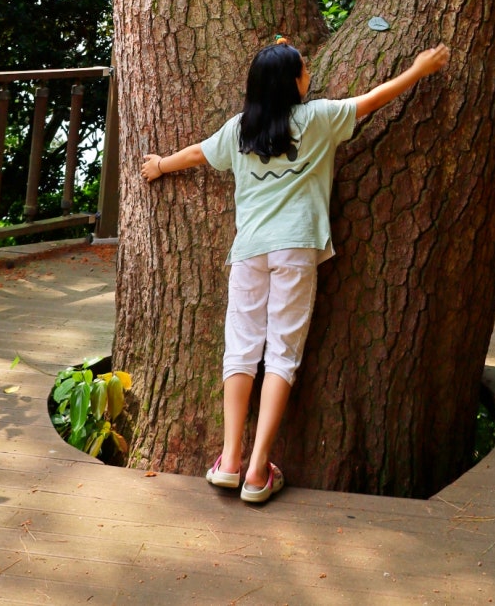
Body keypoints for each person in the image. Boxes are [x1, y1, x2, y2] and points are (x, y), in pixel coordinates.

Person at [141, 36, 450, 504]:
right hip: (296, 249)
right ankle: (259, 468)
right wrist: (419, 69)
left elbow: (196, 155)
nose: (310, 74)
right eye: (303, 68)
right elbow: (374, 100)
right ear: (292, 83)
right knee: (282, 353)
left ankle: (229, 460)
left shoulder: (240, 129)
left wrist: (160, 166)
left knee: (241, 351)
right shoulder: (319, 118)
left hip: (249, 251)